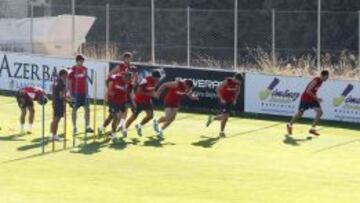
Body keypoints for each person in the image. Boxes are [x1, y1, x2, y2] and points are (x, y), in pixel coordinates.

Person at [287, 70, 329, 136]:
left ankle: (312, 129)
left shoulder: (321, 82)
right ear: (322, 75)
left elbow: (314, 91)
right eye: (326, 77)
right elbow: (308, 91)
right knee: (300, 114)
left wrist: (316, 98)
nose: (327, 79)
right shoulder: (316, 80)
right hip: (305, 98)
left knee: (320, 112)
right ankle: (289, 125)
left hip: (312, 99)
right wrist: (317, 98)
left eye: (327, 77)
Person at [124, 70, 161, 137]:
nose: (158, 80)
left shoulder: (156, 82)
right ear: (153, 77)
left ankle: (139, 126)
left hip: (147, 101)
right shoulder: (145, 80)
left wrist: (154, 94)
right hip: (139, 101)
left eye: (159, 78)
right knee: (134, 117)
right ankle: (124, 129)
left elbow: (151, 90)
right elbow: (139, 91)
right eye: (157, 78)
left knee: (150, 115)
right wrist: (150, 94)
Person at [98, 72, 133, 141]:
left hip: (122, 101)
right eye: (126, 79)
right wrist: (109, 90)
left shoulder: (129, 84)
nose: (127, 81)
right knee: (115, 117)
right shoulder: (116, 77)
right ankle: (113, 134)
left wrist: (131, 104)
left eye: (129, 80)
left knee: (111, 117)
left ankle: (102, 127)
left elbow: (129, 93)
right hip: (112, 100)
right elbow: (107, 80)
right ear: (124, 77)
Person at [206, 73, 243, 137]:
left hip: (230, 100)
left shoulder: (238, 84)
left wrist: (235, 99)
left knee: (226, 118)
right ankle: (213, 119)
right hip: (223, 100)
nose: (239, 82)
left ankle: (221, 131)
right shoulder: (227, 81)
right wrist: (221, 99)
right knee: (225, 115)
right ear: (235, 78)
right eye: (239, 80)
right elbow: (217, 89)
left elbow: (238, 91)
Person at [68, 55, 93, 134]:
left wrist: (87, 92)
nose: (82, 63)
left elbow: (86, 80)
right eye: (80, 61)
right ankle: (74, 127)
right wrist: (70, 94)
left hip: (84, 93)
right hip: (75, 93)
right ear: (77, 61)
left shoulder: (85, 69)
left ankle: (87, 126)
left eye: (82, 61)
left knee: (87, 109)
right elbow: (69, 81)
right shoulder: (72, 69)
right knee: (74, 110)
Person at [50, 70, 68, 141]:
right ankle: (54, 135)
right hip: (59, 103)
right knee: (57, 119)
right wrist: (69, 101)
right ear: (63, 75)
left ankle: (53, 134)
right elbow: (61, 96)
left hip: (54, 101)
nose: (67, 77)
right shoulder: (61, 83)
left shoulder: (56, 81)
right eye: (66, 75)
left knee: (55, 119)